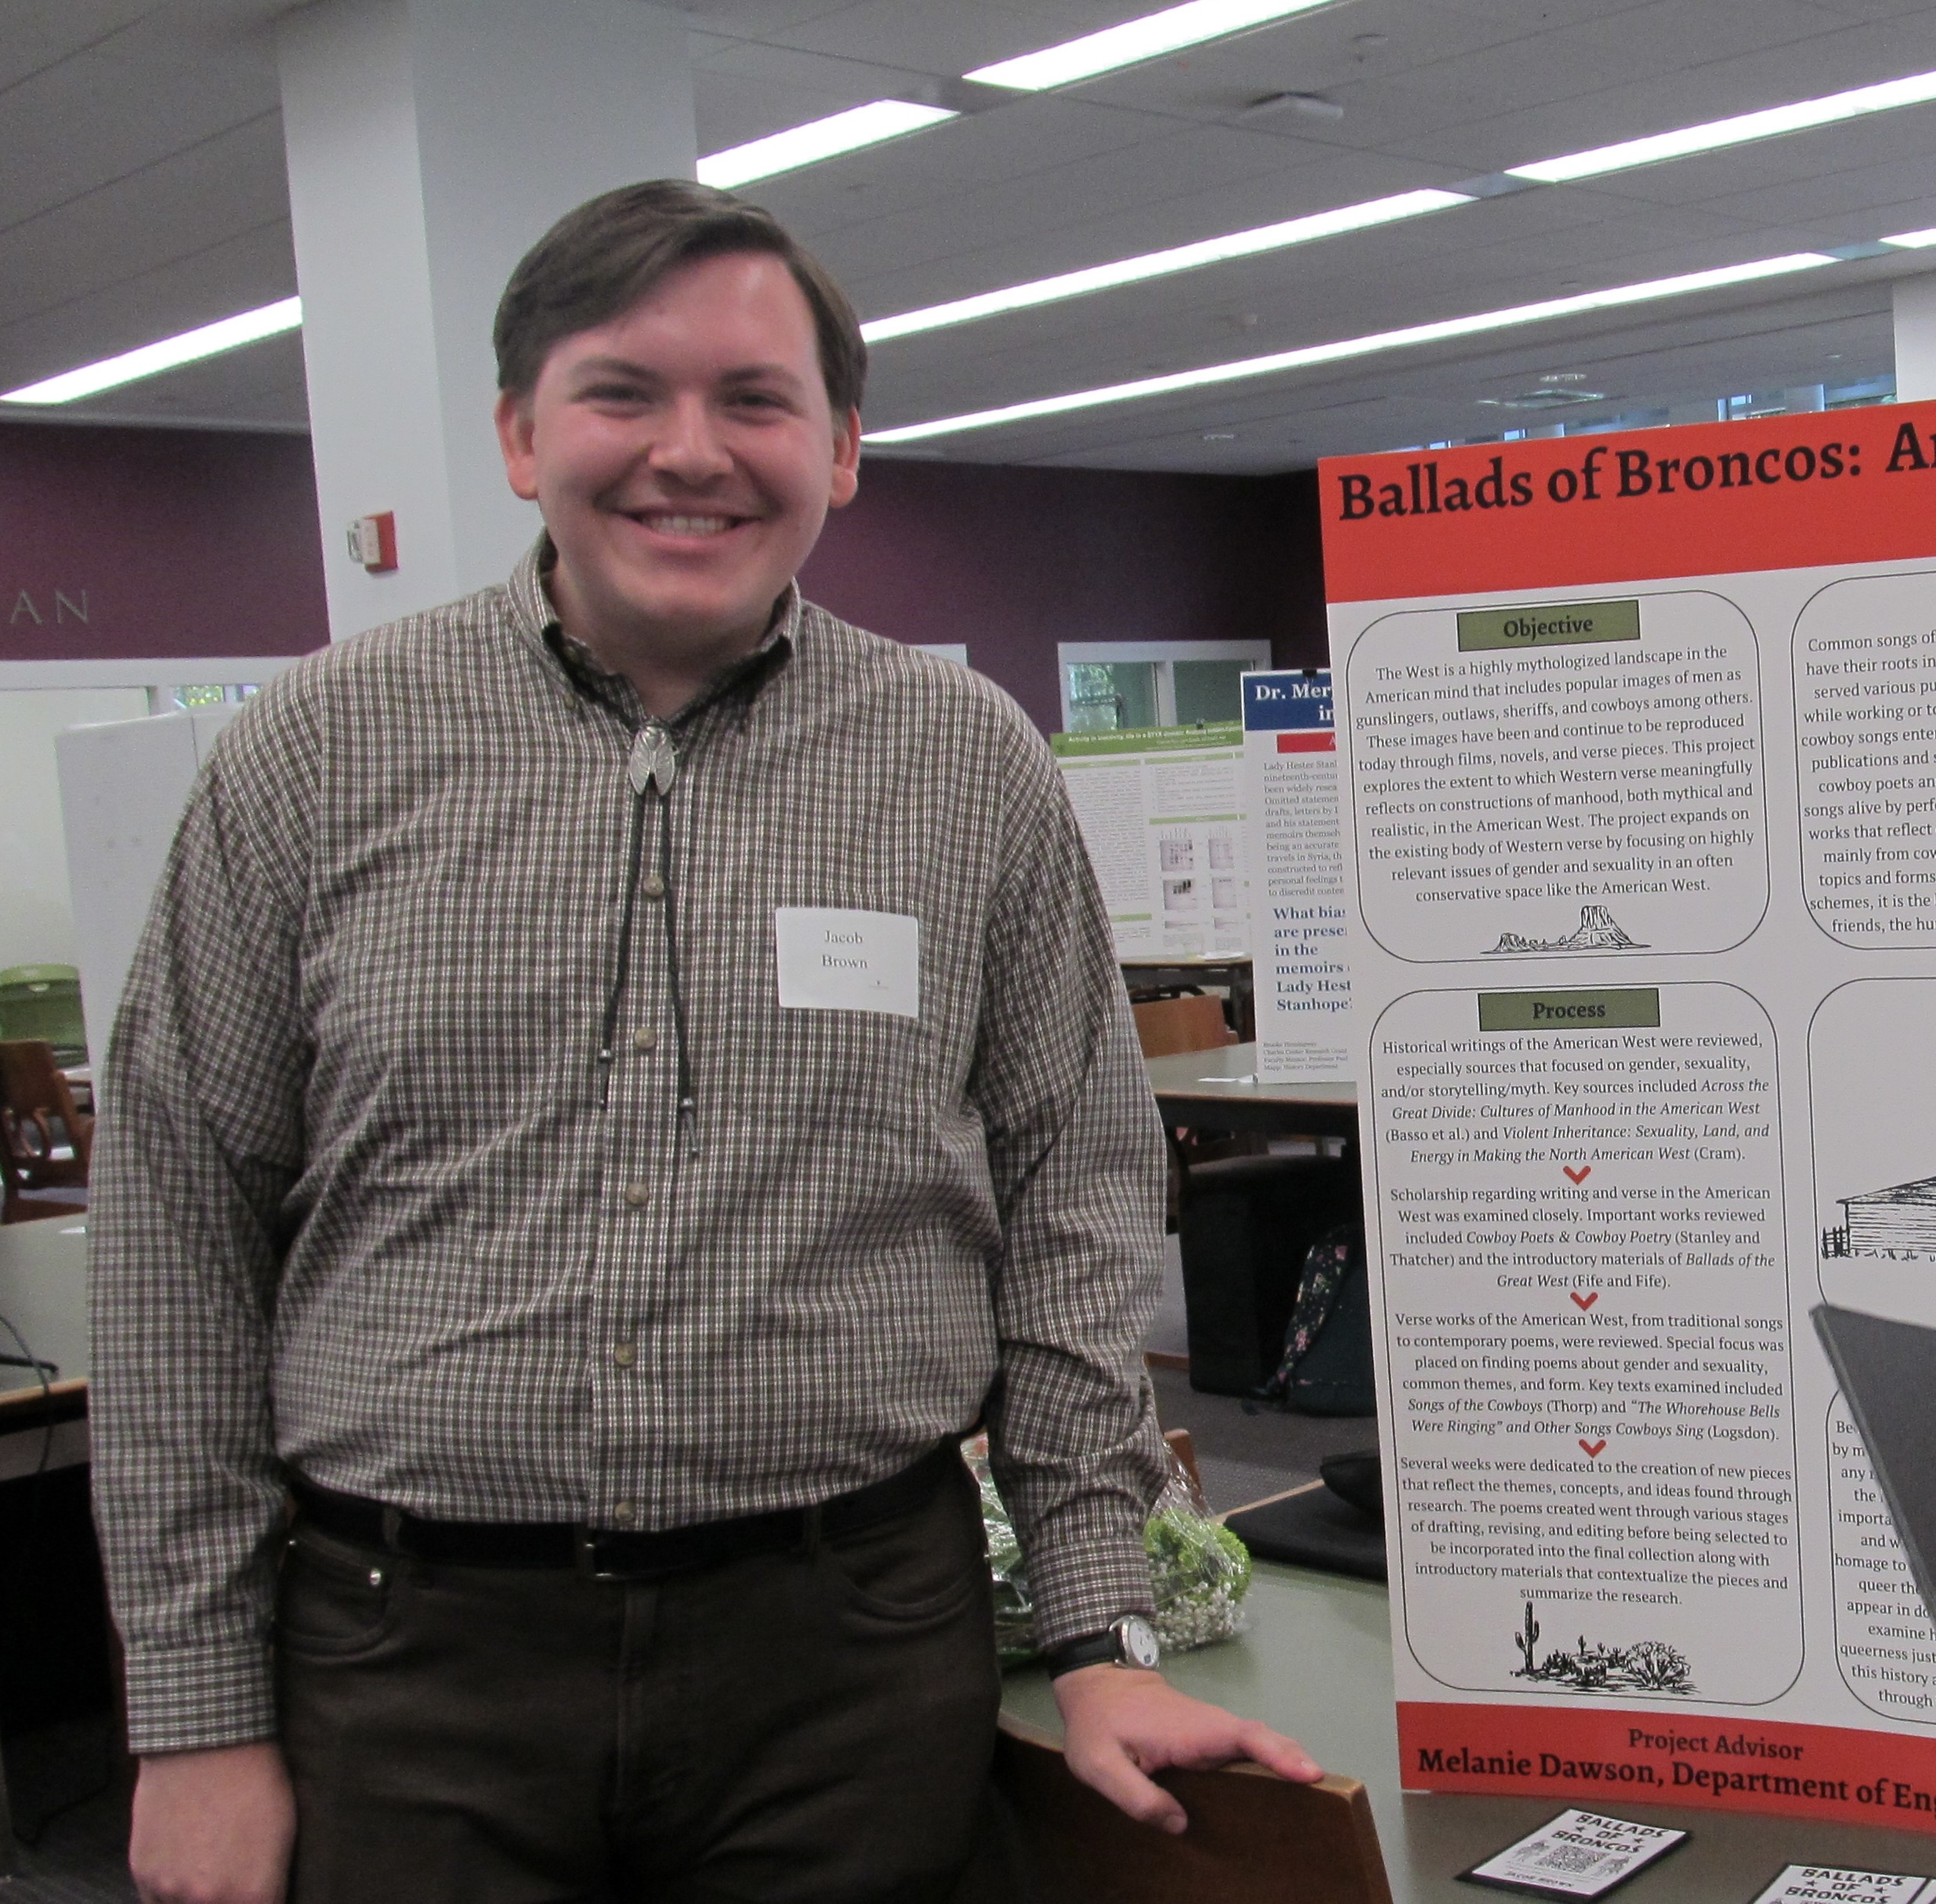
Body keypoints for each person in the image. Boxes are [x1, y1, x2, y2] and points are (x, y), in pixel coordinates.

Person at [89, 178, 1318, 1904]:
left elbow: (1077, 1205)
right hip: (411, 1664)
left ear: (844, 449)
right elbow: (179, 1239)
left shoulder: (965, 766)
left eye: (756, 399)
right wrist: (195, 1717)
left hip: (849, 1654)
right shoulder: (312, 754)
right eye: (622, 394)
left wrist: (1098, 1624)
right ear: (522, 436)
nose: (693, 451)